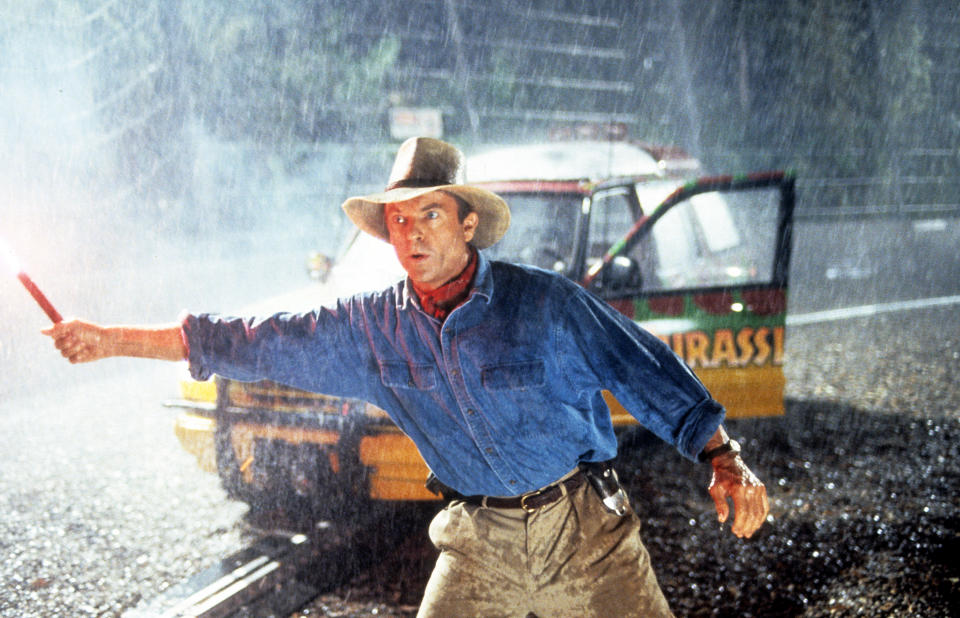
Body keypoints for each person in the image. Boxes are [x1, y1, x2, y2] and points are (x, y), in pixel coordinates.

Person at [45, 137, 768, 617]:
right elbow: (248, 344)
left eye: (430, 214)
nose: (413, 232)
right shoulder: (370, 328)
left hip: (583, 533)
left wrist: (723, 458)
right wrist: (109, 340)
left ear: (465, 224)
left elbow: (644, 368)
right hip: (475, 542)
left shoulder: (544, 303)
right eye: (398, 219)